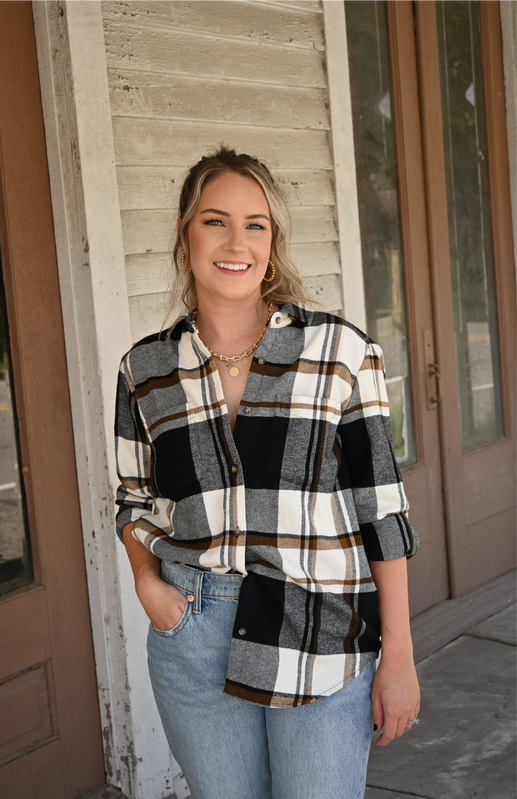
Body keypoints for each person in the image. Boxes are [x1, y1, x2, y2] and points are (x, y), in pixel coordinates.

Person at [114, 146, 421, 799]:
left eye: (255, 224)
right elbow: (134, 499)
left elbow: (382, 513)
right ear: (184, 232)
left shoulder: (337, 352)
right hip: (191, 628)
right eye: (214, 220)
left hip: (319, 626)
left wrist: (397, 654)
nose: (235, 241)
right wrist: (148, 583)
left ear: (273, 239)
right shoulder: (144, 369)